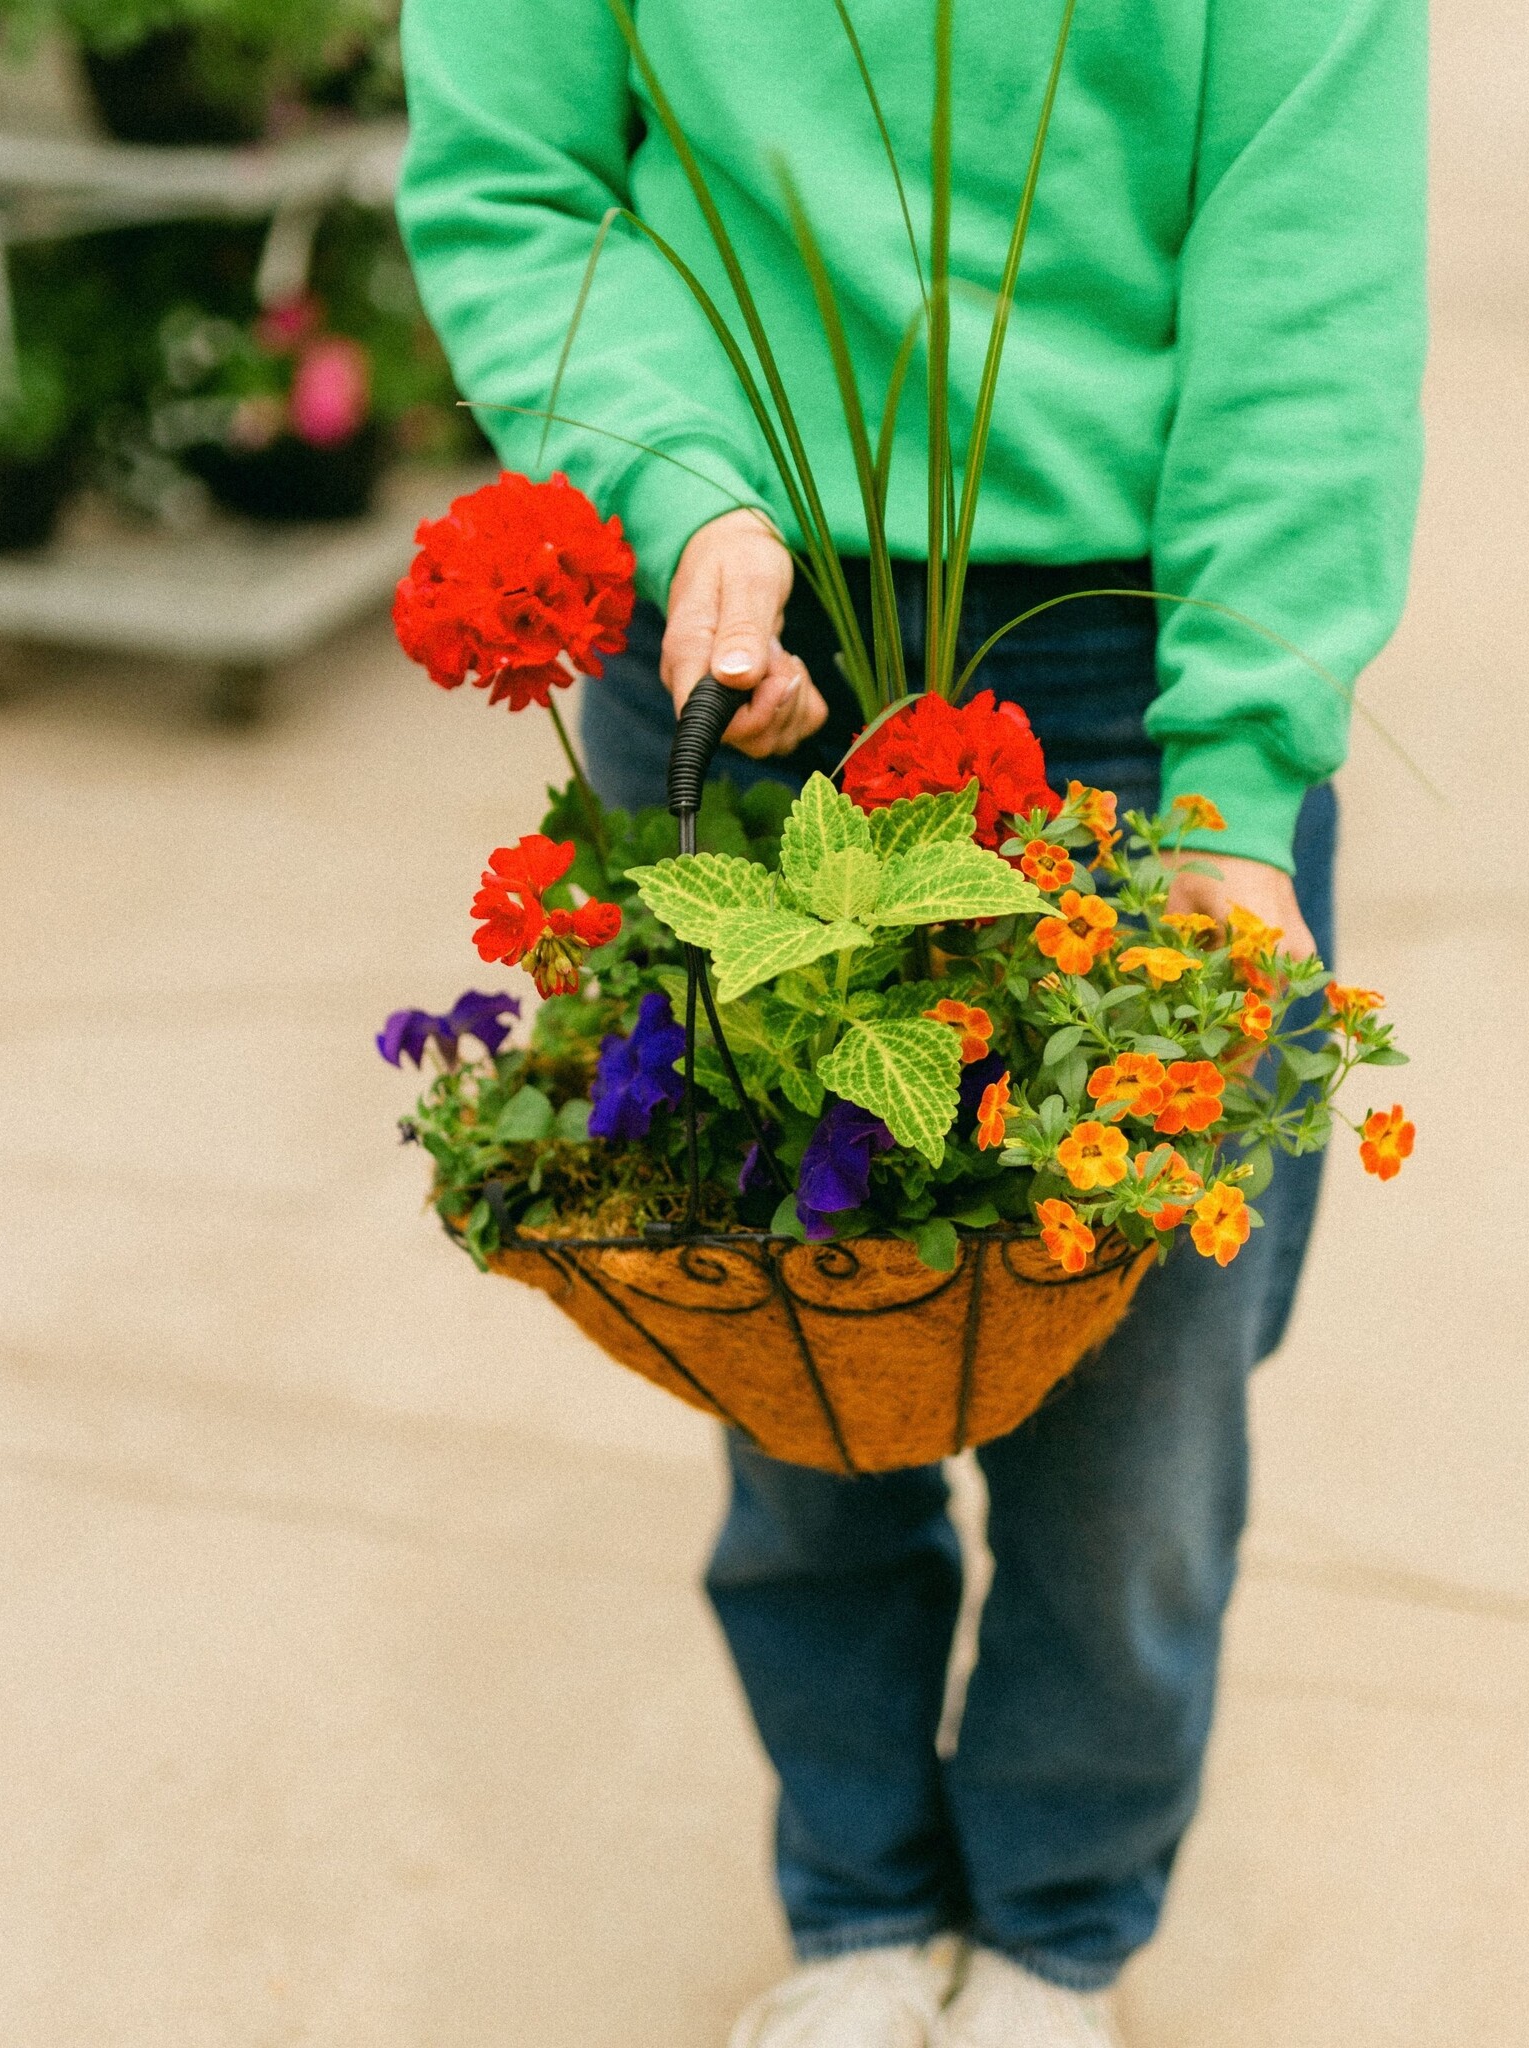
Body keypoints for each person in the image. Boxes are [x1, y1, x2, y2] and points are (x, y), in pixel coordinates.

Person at [396, 2, 1426, 2041]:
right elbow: (519, 175)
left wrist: (1235, 782)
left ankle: (1054, 1930)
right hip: (737, 610)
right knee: (797, 1358)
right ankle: (859, 1903)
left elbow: (1305, 268)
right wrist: (689, 499)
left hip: (1135, 649)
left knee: (1138, 1424)